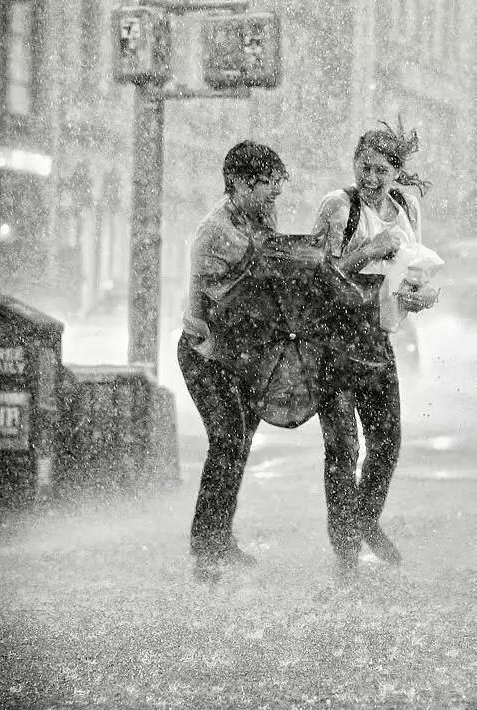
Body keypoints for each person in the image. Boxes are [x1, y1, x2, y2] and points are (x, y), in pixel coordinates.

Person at [312, 118, 439, 575]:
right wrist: (370, 250)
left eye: (381, 170)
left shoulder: (406, 206)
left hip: (378, 341)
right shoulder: (337, 207)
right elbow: (319, 278)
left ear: (396, 172)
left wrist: (421, 296)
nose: (370, 179)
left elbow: (413, 272)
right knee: (343, 449)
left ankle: (364, 520)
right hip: (332, 343)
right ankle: (345, 552)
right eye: (363, 167)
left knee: (387, 442)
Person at [177, 140, 289, 580]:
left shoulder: (262, 216)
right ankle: (205, 550)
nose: (274, 198)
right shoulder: (214, 233)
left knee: (239, 445)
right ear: (241, 184)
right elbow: (224, 307)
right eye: (267, 188)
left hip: (246, 353)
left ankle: (219, 537)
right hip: (206, 351)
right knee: (226, 440)